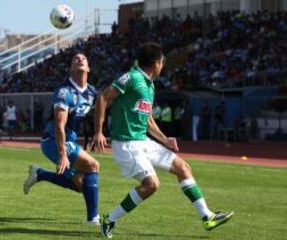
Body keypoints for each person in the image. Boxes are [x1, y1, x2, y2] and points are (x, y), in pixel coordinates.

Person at [93, 42, 233, 238]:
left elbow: (148, 119)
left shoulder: (150, 85)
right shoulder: (132, 77)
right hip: (126, 143)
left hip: (143, 141)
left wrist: (165, 140)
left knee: (183, 167)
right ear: (156, 62)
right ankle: (110, 219)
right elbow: (103, 97)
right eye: (162, 62)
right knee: (152, 185)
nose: (163, 66)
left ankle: (207, 216)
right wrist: (98, 132)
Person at [23, 53, 100, 225]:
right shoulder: (64, 91)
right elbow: (59, 125)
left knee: (82, 185)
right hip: (53, 140)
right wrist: (63, 154)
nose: (79, 60)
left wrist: (98, 132)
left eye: (84, 59)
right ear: (71, 68)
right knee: (93, 165)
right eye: (75, 59)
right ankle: (93, 219)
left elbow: (101, 108)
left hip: (68, 141)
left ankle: (40, 174)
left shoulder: (92, 92)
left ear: (88, 68)